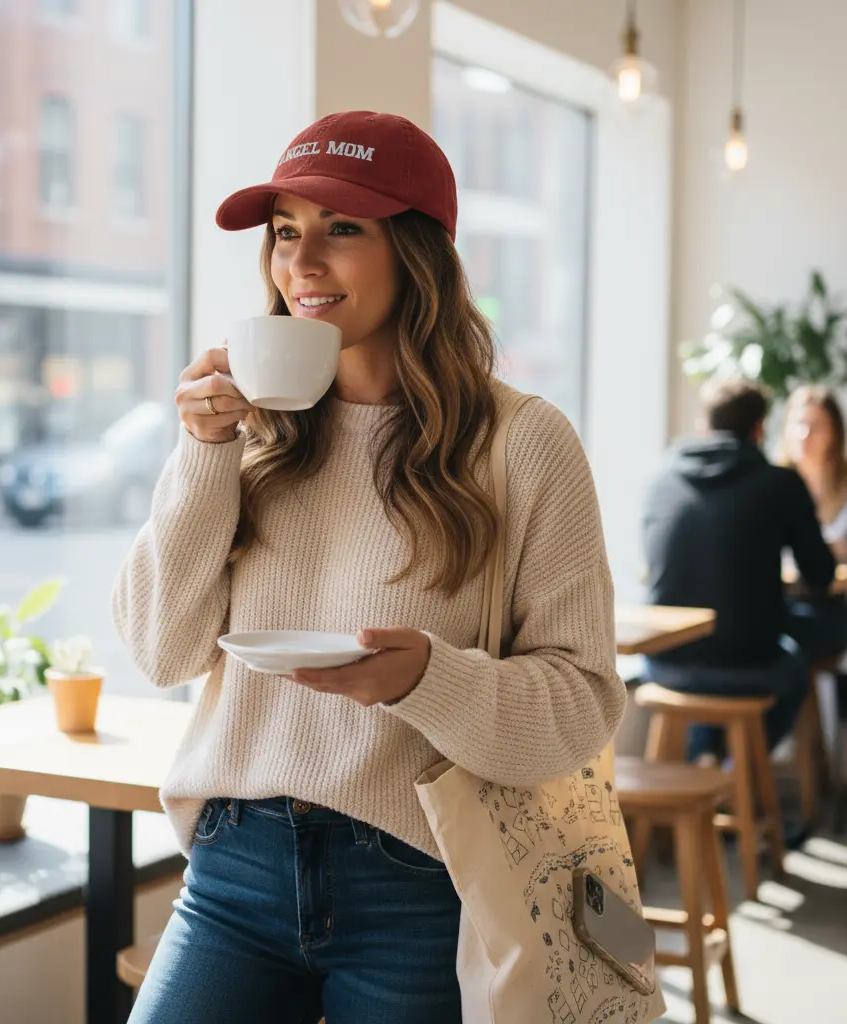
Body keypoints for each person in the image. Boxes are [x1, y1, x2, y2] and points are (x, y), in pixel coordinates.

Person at [112, 110, 625, 1024]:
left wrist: (430, 678)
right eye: (285, 232)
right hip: (234, 865)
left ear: (417, 254)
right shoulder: (246, 433)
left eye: (342, 228)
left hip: (418, 877)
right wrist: (203, 452)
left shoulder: (523, 444)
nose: (302, 264)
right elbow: (163, 650)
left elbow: (582, 703)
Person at [642, 378, 835, 764]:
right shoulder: (780, 483)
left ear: (704, 425)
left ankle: (708, 762)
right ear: (759, 428)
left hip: (661, 663)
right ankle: (737, 772)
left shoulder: (661, 480)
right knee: (797, 659)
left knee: (721, 640)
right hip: (746, 667)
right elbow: (820, 573)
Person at [779, 385, 847, 659]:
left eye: (816, 426)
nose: (804, 435)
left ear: (835, 432)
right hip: (786, 601)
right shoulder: (775, 484)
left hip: (836, 602)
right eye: (799, 424)